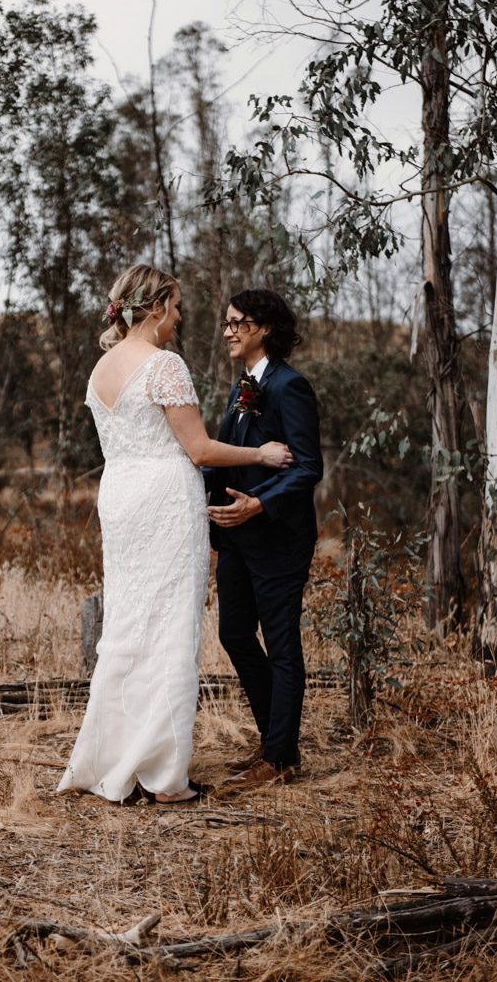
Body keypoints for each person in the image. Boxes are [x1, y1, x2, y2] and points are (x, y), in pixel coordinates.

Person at [57, 265, 293, 805]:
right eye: (178, 306)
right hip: (163, 497)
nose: (182, 317)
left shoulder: (101, 369)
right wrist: (263, 452)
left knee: (126, 625)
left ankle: (111, 760)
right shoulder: (163, 365)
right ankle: (164, 778)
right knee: (168, 628)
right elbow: (200, 450)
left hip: (119, 494)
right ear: (157, 306)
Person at [205, 289, 322, 793]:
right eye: (227, 322)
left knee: (281, 646)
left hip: (277, 538)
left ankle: (279, 757)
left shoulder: (289, 386)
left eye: (238, 322)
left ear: (265, 328)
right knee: (233, 633)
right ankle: (277, 739)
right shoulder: (243, 387)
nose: (228, 330)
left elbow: (309, 468)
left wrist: (259, 503)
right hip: (236, 538)